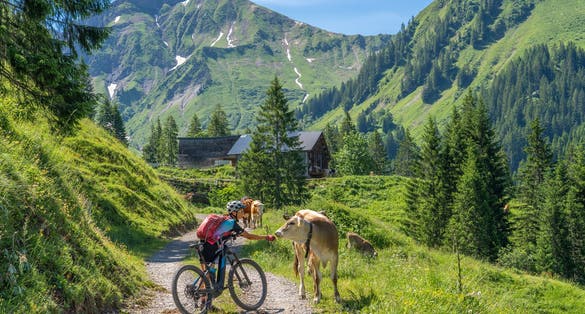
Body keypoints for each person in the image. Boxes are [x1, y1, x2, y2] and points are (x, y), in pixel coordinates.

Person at [199, 200, 276, 269]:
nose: (243, 214)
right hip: (210, 247)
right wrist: (266, 237)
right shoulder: (231, 223)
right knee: (207, 276)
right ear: (234, 212)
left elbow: (221, 232)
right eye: (241, 211)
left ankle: (209, 284)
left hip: (204, 244)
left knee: (207, 276)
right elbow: (249, 236)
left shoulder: (225, 219)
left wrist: (232, 234)